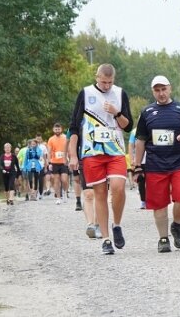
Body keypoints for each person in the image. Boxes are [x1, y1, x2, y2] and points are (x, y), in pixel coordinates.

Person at [68, 63, 133, 255]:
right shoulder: (86, 93)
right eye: (103, 82)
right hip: (92, 152)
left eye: (110, 82)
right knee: (100, 194)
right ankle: (105, 239)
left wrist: (117, 112)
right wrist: (73, 154)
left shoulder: (120, 94)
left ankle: (117, 225)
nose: (106, 86)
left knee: (118, 188)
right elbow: (73, 127)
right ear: (97, 78)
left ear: (114, 79)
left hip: (115, 150)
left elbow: (128, 126)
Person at [134, 75, 180, 253]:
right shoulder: (146, 112)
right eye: (157, 90)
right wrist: (137, 165)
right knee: (159, 204)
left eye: (164, 89)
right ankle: (163, 238)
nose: (161, 93)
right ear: (153, 92)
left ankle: (177, 225)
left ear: (170, 89)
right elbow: (140, 141)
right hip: (155, 164)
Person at [47, 123, 70, 205]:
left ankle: (65, 192)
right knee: (56, 180)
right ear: (53, 130)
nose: (57, 131)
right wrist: (49, 163)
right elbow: (49, 152)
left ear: (61, 129)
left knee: (64, 180)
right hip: (54, 162)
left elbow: (69, 149)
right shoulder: (51, 139)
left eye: (59, 129)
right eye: (56, 129)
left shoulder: (65, 137)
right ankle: (58, 197)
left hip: (64, 162)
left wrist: (69, 159)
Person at [129, 130, 146, 209]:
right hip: (139, 160)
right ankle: (143, 201)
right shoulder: (134, 131)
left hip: (152, 159)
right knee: (141, 180)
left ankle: (152, 199)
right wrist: (131, 159)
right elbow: (131, 145)